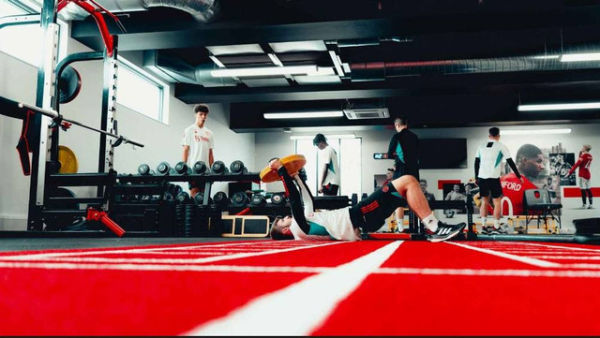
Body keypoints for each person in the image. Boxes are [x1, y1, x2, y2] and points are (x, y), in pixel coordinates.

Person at [267, 157, 466, 242]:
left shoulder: (307, 224)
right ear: (285, 230)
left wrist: (296, 176)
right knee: (408, 181)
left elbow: (306, 199)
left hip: (362, 219)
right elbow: (293, 200)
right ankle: (435, 228)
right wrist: (282, 171)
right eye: (283, 220)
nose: (287, 217)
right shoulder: (299, 229)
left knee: (402, 192)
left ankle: (433, 227)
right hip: (359, 215)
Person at [475, 127, 523, 234]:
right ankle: (496, 227)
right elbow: (510, 162)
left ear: (489, 136)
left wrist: (476, 177)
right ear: (498, 136)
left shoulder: (480, 146)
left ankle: (483, 227)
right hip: (493, 178)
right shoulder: (501, 146)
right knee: (497, 202)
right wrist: (518, 176)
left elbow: (476, 163)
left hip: (482, 177)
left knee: (484, 201)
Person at [386, 116, 419, 226]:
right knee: (414, 200)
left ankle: (400, 228)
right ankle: (417, 226)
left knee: (398, 200)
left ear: (397, 125)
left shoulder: (396, 137)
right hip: (414, 173)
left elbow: (390, 154)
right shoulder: (415, 137)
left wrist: (397, 162)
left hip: (401, 172)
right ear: (406, 124)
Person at [182, 104, 214, 198]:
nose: (203, 117)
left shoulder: (209, 133)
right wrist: (183, 168)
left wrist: (213, 170)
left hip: (206, 171)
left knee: (205, 198)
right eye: (201, 114)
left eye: (205, 115)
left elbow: (210, 153)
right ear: (196, 115)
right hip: (193, 169)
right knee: (195, 196)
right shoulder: (189, 130)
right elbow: (185, 149)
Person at [566, 144, 593, 209]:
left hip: (582, 174)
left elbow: (576, 165)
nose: (582, 148)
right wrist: (580, 153)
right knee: (588, 189)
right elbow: (582, 161)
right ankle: (591, 204)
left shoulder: (583, 156)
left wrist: (569, 173)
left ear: (585, 148)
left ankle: (584, 204)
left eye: (583, 147)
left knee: (582, 189)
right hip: (588, 174)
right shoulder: (590, 156)